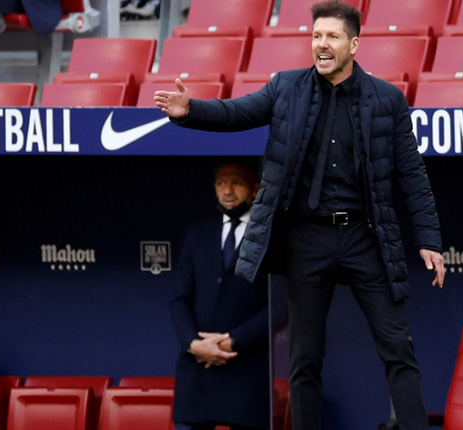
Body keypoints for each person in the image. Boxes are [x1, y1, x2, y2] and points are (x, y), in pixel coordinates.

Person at [154, 1, 446, 429]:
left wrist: (430, 240)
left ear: (354, 44)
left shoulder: (387, 99)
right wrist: (191, 110)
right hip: (306, 238)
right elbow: (237, 112)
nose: (321, 44)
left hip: (365, 235)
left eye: (332, 37)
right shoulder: (286, 88)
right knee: (304, 358)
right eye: (316, 36)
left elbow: (413, 175)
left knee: (398, 347)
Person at [170, 159, 287, 430]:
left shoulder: (271, 235)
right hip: (197, 371)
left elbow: (281, 306)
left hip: (246, 372)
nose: (228, 190)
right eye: (221, 183)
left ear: (256, 188)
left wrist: (232, 341)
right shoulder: (198, 233)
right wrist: (194, 344)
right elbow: (179, 299)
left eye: (237, 182)